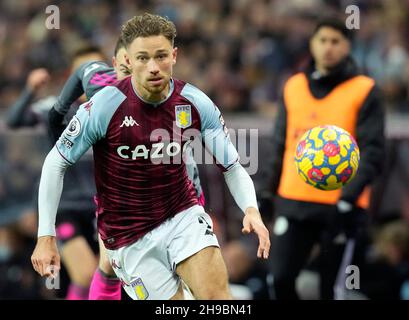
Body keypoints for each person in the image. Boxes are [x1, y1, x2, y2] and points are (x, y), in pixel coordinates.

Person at [31, 13, 270, 300]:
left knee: (218, 299)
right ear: (128, 61)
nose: (153, 67)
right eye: (143, 58)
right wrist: (46, 235)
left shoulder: (194, 102)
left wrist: (251, 209)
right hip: (128, 235)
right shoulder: (104, 106)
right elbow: (56, 162)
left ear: (175, 55)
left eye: (161, 56)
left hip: (182, 215)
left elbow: (231, 166)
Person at [49, 36, 206, 300]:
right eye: (124, 69)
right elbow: (79, 76)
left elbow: (186, 158)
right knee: (103, 269)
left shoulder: (168, 101)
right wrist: (58, 113)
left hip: (161, 201)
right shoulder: (97, 101)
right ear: (114, 67)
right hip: (101, 206)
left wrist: (197, 200)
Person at [266, 18, 385, 299]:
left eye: (336, 41)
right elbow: (281, 144)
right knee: (280, 280)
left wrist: (349, 196)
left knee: (330, 290)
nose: (328, 48)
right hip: (293, 202)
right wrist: (266, 192)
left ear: (348, 46)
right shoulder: (293, 86)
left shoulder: (365, 89)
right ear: (312, 45)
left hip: (341, 206)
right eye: (322, 41)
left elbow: (374, 150)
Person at [6, 45, 109, 300]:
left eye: (97, 69)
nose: (91, 76)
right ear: (72, 77)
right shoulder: (57, 108)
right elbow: (14, 120)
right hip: (66, 208)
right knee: (85, 274)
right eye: (83, 71)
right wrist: (30, 91)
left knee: (108, 274)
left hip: (102, 207)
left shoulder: (115, 110)